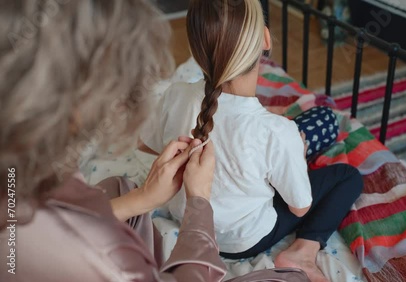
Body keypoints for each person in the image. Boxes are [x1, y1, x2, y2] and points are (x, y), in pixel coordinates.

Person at [0, 1, 310, 281]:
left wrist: (143, 199)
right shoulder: (109, 265)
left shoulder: (16, 182)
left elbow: (39, 228)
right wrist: (199, 202)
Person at [140, 1, 363, 281]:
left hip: (187, 220)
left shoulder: (176, 93)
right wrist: (292, 151)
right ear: (266, 39)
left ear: (198, 51)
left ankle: (295, 148)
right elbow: (300, 207)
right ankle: (303, 252)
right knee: (347, 175)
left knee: (304, 132)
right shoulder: (275, 131)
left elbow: (146, 145)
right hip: (243, 241)